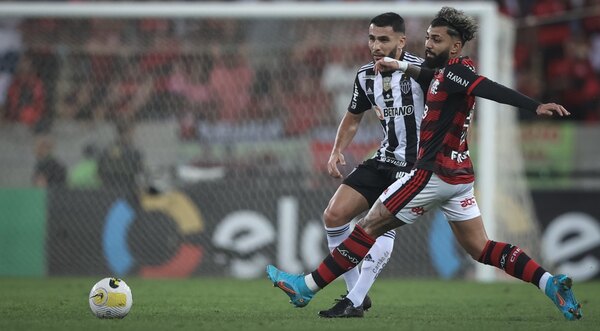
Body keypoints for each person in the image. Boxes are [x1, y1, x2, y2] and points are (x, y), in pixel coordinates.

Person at [267, 7, 583, 321]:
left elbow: (486, 87)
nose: (428, 44)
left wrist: (534, 106)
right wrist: (398, 65)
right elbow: (429, 76)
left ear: (455, 46)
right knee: (481, 248)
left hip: (431, 173)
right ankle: (549, 282)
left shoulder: (459, 71)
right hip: (459, 179)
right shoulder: (441, 74)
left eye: (436, 40)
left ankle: (307, 287)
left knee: (368, 227)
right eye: (428, 37)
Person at [314, 12, 427, 318]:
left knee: (380, 227)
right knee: (334, 215)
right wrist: (337, 149)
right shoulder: (365, 76)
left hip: (416, 166)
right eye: (372, 38)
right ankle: (356, 295)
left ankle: (353, 302)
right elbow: (353, 117)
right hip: (384, 158)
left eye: (384, 39)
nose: (375, 45)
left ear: (401, 41)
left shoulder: (422, 73)